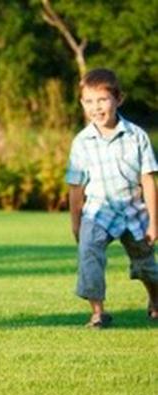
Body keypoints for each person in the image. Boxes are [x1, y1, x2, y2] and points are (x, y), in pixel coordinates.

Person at [66, 68, 158, 328]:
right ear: (83, 104)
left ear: (118, 99)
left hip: (133, 210)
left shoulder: (136, 136)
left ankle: (155, 298)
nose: (96, 107)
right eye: (89, 101)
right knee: (89, 254)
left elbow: (148, 180)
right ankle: (98, 312)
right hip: (98, 212)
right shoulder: (81, 142)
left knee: (146, 266)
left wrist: (154, 221)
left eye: (103, 100)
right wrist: (76, 224)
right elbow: (75, 188)